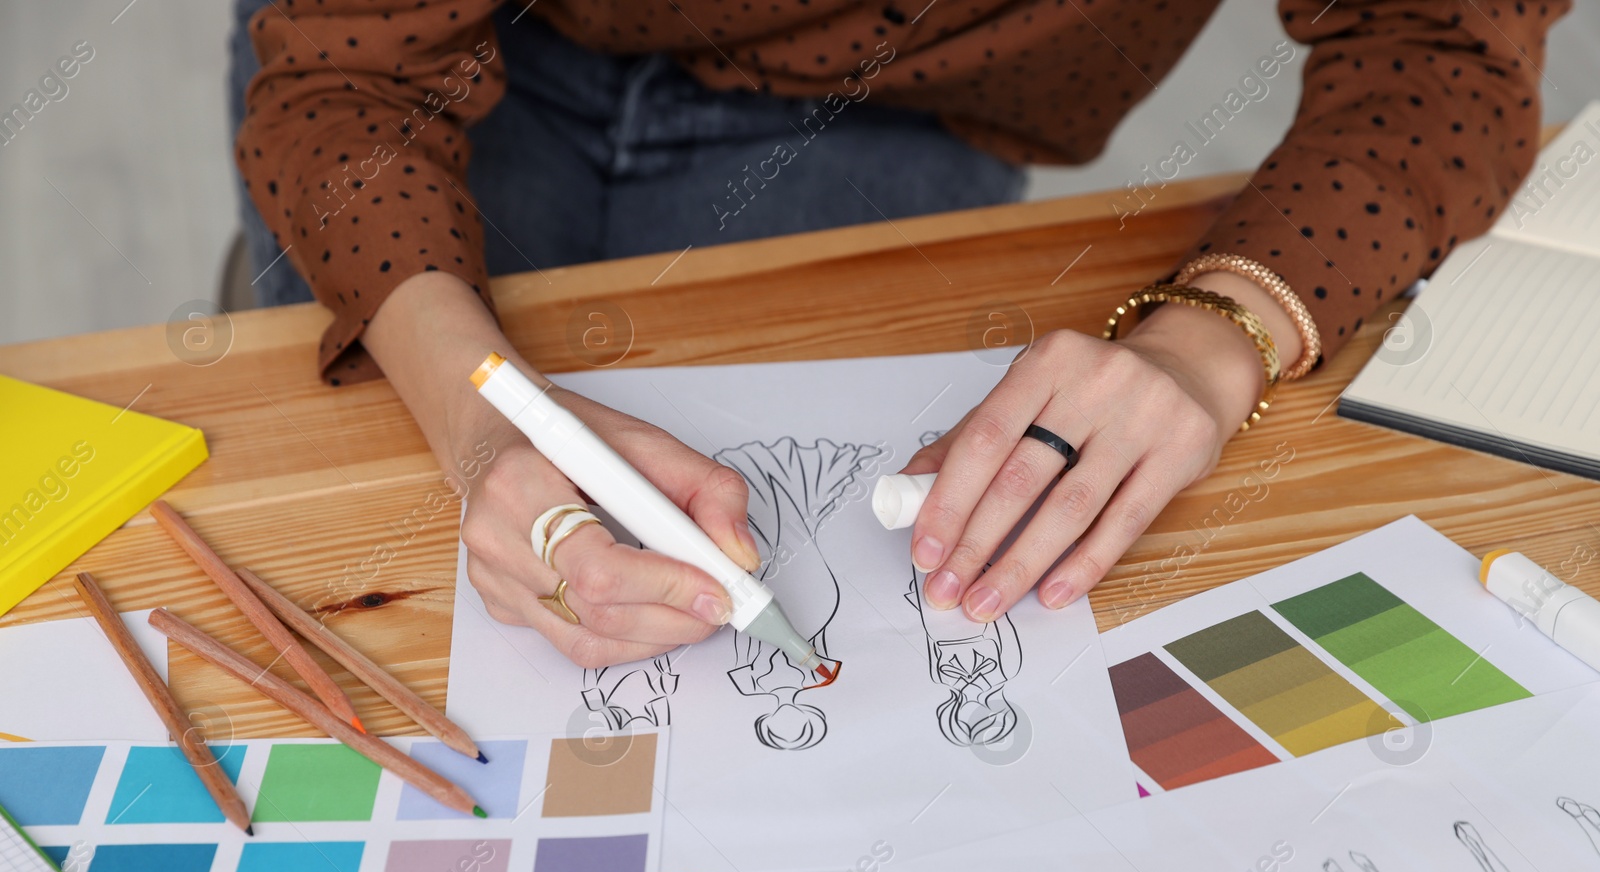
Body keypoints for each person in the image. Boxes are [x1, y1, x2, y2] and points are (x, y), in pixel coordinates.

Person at [231, 0, 1565, 668]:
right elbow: (350, 72)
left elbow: (1438, 46)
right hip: (447, 62)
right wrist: (478, 424)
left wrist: (1212, 338)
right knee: (330, 491)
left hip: (893, 105)